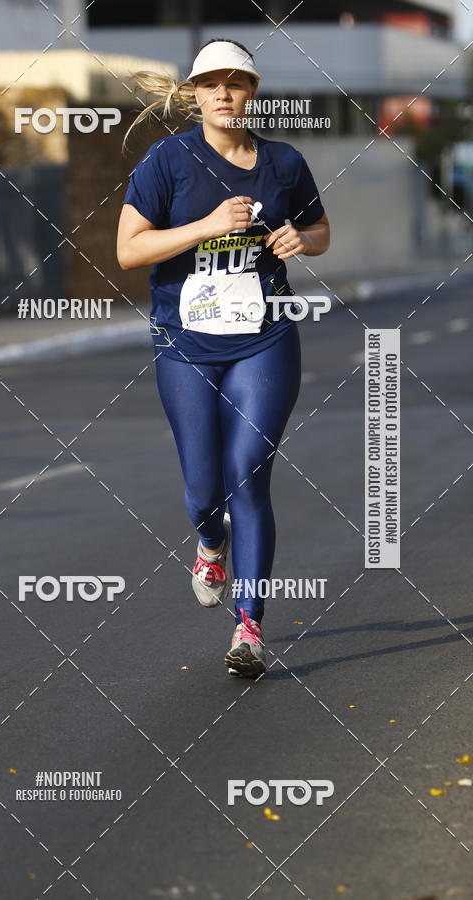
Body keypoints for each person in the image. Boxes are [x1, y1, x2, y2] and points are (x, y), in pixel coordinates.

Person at [116, 38, 330, 676]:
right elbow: (130, 251)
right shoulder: (168, 160)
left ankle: (250, 628)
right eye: (211, 84)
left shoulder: (284, 162)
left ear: (251, 92)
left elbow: (320, 229)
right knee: (205, 489)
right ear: (195, 94)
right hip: (185, 345)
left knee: (249, 474)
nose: (223, 94)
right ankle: (210, 543)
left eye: (235, 84)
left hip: (264, 337)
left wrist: (302, 238)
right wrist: (207, 226)